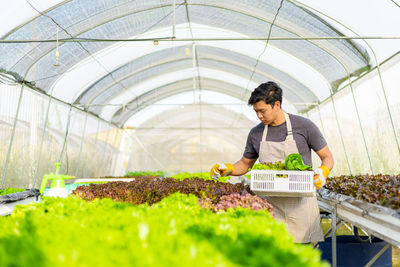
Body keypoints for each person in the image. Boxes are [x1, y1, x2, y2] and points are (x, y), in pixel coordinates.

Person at [210, 81, 334, 243]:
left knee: (301, 256)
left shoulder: (304, 126)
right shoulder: (256, 133)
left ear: (277, 104)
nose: (259, 116)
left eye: (262, 111)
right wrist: (227, 169)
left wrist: (323, 172)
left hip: (301, 206)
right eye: (256, 112)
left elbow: (327, 157)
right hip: (270, 205)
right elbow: (245, 164)